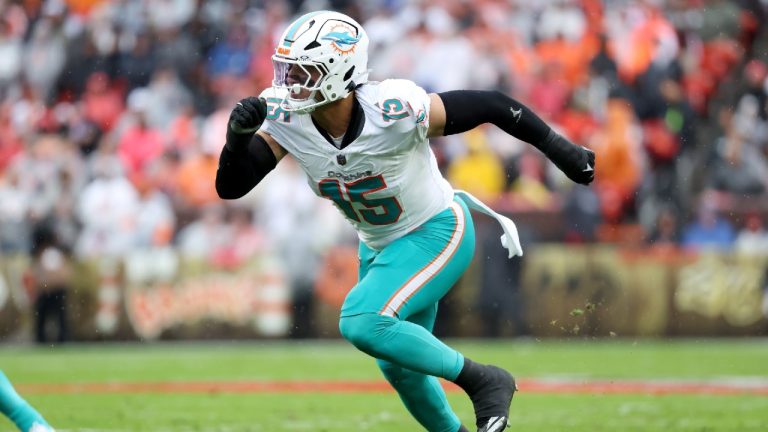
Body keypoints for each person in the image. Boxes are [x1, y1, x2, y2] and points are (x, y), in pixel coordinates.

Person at [216, 11, 595, 432]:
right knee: (400, 368)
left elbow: (491, 105)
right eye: (288, 70)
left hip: (435, 231)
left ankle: (484, 380)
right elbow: (231, 186)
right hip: (379, 246)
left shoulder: (392, 109)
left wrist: (561, 149)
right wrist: (237, 141)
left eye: (304, 72)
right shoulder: (288, 120)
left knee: (361, 320)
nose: (291, 83)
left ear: (339, 72)